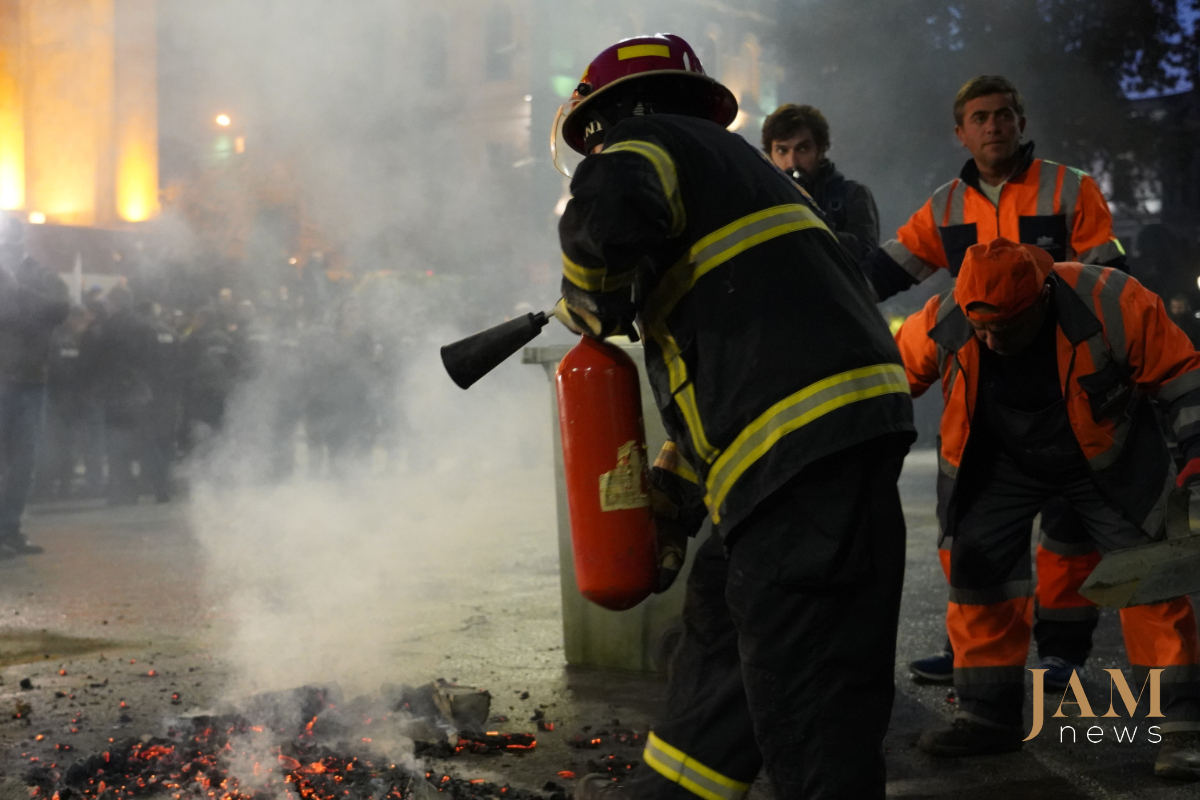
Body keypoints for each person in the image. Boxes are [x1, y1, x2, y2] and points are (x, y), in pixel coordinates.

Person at [553, 34, 916, 800]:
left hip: (801, 453)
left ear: (612, 115)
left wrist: (588, 295)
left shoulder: (643, 142)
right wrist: (676, 496)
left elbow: (608, 208)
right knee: (725, 646)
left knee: (812, 706)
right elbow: (737, 371)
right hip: (809, 446)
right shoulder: (740, 176)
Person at [895, 238, 1200, 778]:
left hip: (1108, 459)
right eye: (981, 330)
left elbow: (1183, 375)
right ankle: (987, 717)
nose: (990, 340)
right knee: (979, 573)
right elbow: (889, 382)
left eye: (1005, 329)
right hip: (998, 461)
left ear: (1042, 298)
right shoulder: (948, 318)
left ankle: (1180, 727)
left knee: (1148, 574)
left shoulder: (1112, 302)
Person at [867, 75, 1123, 687]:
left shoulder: (1071, 188)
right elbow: (884, 269)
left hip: (1062, 387)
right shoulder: (945, 205)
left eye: (1003, 114)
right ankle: (971, 654)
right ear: (961, 131)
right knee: (971, 534)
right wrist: (823, 289)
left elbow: (1110, 279)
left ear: (1021, 121)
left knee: (1067, 537)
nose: (993, 126)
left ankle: (1061, 654)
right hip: (978, 393)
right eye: (979, 117)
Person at [0, 217, 69, 555]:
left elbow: (61, 307)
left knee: (24, 462)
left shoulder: (38, 274)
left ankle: (9, 528)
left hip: (30, 380)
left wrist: (16, 290)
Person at [761, 103, 880, 261]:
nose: (792, 162)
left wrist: (808, 226)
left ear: (821, 150)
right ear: (769, 154)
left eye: (803, 149)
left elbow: (866, 258)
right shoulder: (760, 199)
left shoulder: (852, 196)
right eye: (782, 150)